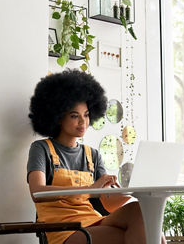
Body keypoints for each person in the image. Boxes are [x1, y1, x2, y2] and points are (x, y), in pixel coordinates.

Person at [27, 69, 147, 244]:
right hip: (63, 231)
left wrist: (133, 189)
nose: (83, 122)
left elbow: (107, 204)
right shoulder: (41, 148)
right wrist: (89, 189)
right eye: (75, 116)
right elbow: (37, 192)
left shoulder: (93, 155)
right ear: (58, 117)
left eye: (86, 115)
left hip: (93, 221)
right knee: (142, 235)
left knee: (139, 210)